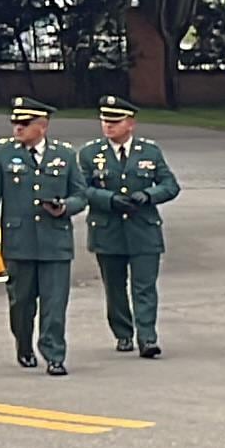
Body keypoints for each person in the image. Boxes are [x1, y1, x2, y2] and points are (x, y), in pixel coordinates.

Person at [0, 96, 83, 375]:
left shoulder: (66, 155)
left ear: (42, 126)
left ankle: (54, 354)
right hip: (19, 242)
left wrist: (65, 208)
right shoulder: (2, 153)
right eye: (15, 123)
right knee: (21, 302)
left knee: (55, 303)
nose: (17, 129)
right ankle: (24, 344)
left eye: (24, 124)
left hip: (55, 241)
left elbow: (81, 195)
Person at [78, 95, 181, 358]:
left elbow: (170, 185)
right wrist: (109, 199)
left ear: (131, 123)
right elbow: (80, 189)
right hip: (107, 228)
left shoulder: (149, 151)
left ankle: (147, 336)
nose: (108, 126)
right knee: (115, 287)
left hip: (143, 228)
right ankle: (123, 333)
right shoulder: (90, 153)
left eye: (115, 121)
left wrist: (148, 195)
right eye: (105, 121)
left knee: (144, 286)